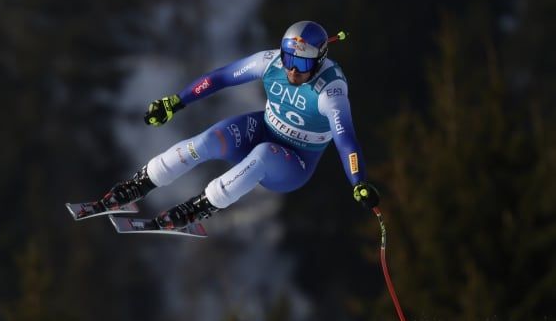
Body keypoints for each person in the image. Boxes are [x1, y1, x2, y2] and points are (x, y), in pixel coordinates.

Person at [101, 20, 380, 229]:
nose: (293, 69)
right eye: (289, 59)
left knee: (262, 155)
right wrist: (177, 102)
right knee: (208, 141)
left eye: (302, 63)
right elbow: (222, 77)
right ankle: (140, 184)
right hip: (261, 130)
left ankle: (198, 208)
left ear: (318, 61)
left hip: (293, 164)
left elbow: (347, 140)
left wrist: (358, 182)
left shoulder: (330, 93)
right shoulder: (271, 63)